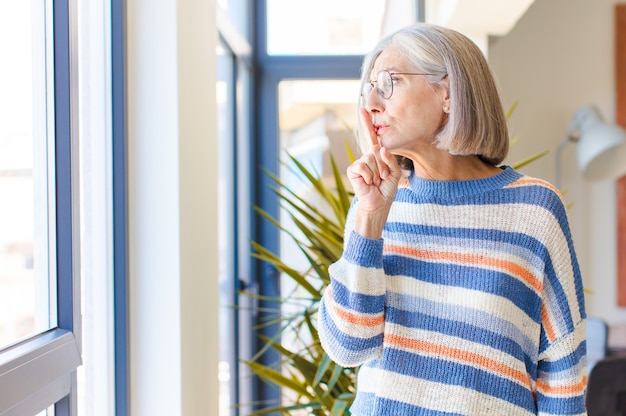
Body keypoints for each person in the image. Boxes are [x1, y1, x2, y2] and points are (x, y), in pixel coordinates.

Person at [317, 22, 587, 416]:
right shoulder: (374, 205)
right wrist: (371, 219)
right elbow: (347, 346)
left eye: (389, 83)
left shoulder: (534, 209)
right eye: (369, 88)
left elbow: (563, 373)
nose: (372, 102)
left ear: (447, 92)